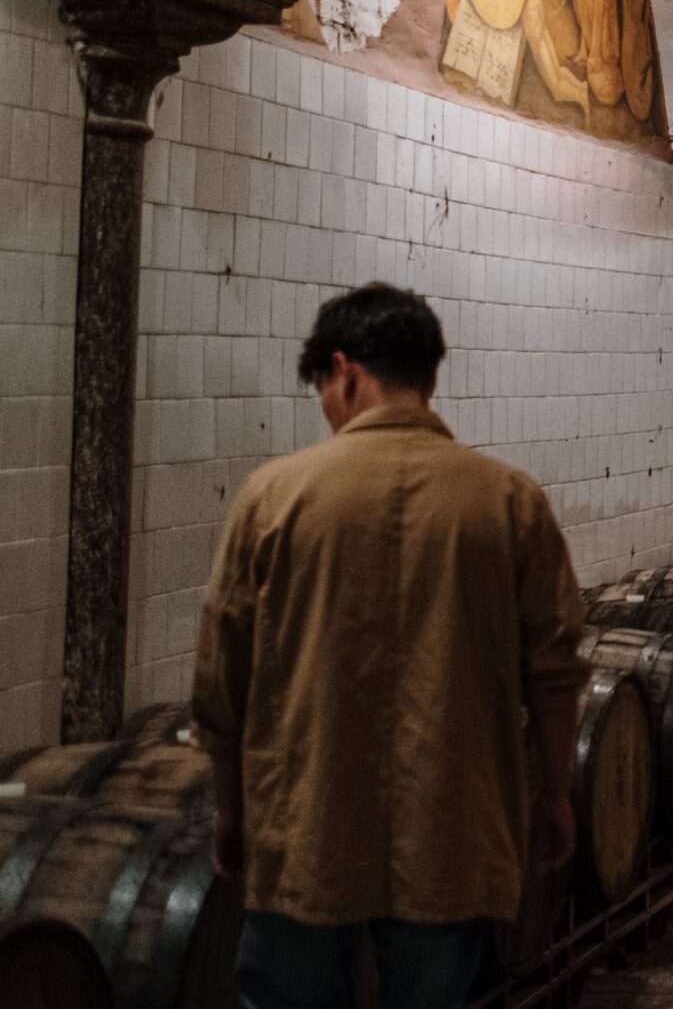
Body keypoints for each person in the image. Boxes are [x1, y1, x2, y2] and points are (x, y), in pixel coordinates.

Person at [192, 284, 588, 1009]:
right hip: (452, 834)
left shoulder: (273, 495)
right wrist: (554, 792)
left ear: (343, 370)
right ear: (430, 377)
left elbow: (223, 674)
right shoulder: (509, 500)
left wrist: (228, 807)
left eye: (323, 387)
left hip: (304, 827)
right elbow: (554, 669)